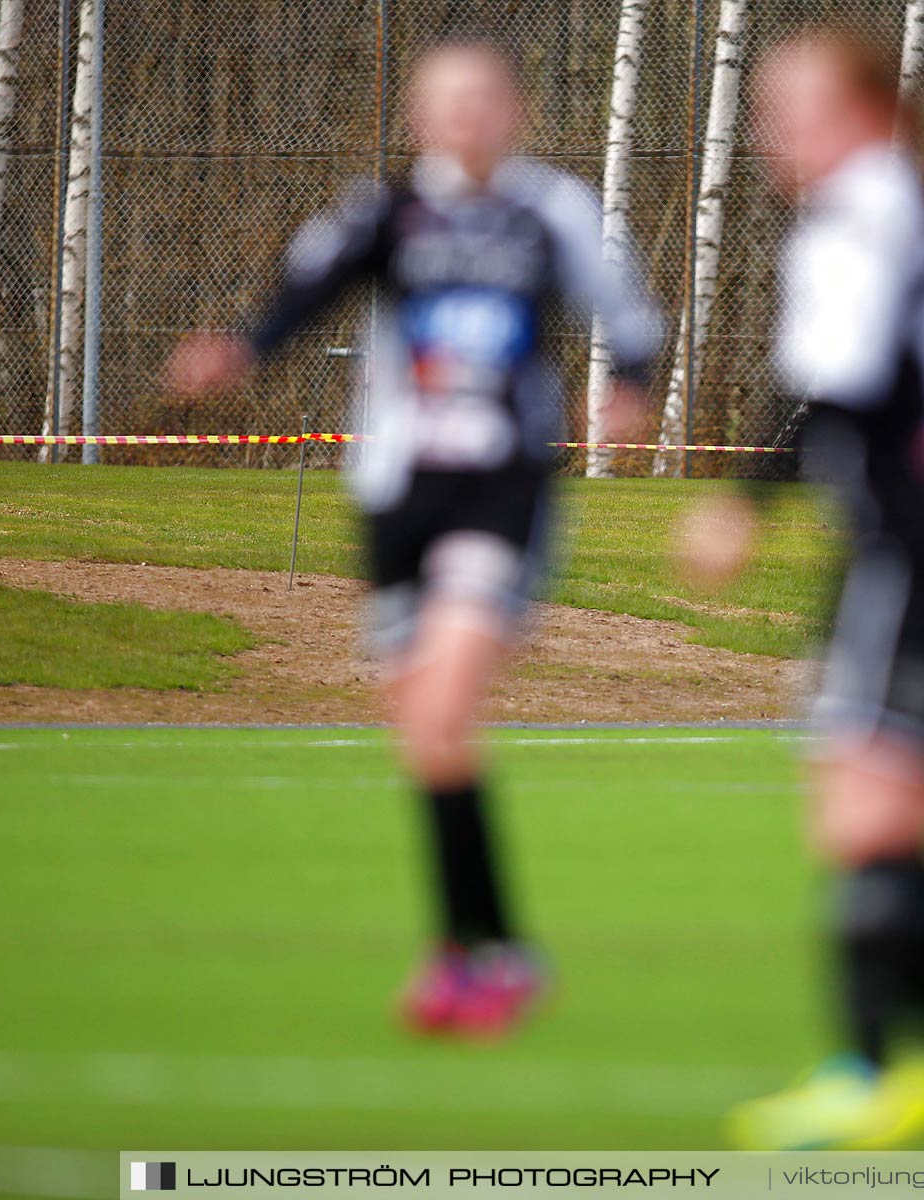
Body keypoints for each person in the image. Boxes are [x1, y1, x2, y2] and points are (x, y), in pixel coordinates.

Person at [163, 40, 662, 1038]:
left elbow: (632, 313)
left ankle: (475, 958)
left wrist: (628, 387)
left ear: (514, 112)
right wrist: (240, 351)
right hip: (398, 497)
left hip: (501, 490)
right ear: (416, 117)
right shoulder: (383, 212)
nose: (462, 117)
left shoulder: (550, 211)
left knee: (441, 709)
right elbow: (305, 294)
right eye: (442, 101)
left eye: (481, 99)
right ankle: (488, 953)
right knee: (428, 736)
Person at [679, 30, 924, 1150]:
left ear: (875, 116)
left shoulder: (857, 221)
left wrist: (742, 503)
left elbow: (830, 392)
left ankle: (861, 1071)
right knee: (897, 823)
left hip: (917, 560)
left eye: (803, 109)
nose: (776, 135)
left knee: (857, 819)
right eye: (769, 111)